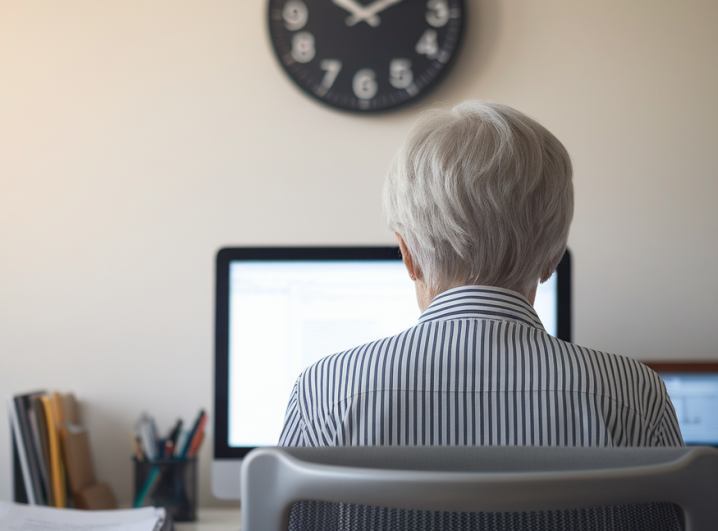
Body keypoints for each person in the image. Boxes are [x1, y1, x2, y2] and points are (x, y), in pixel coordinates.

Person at [279, 101, 683, 448]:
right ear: (553, 258)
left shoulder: (323, 395)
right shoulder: (635, 396)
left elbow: (285, 521)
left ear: (408, 255)